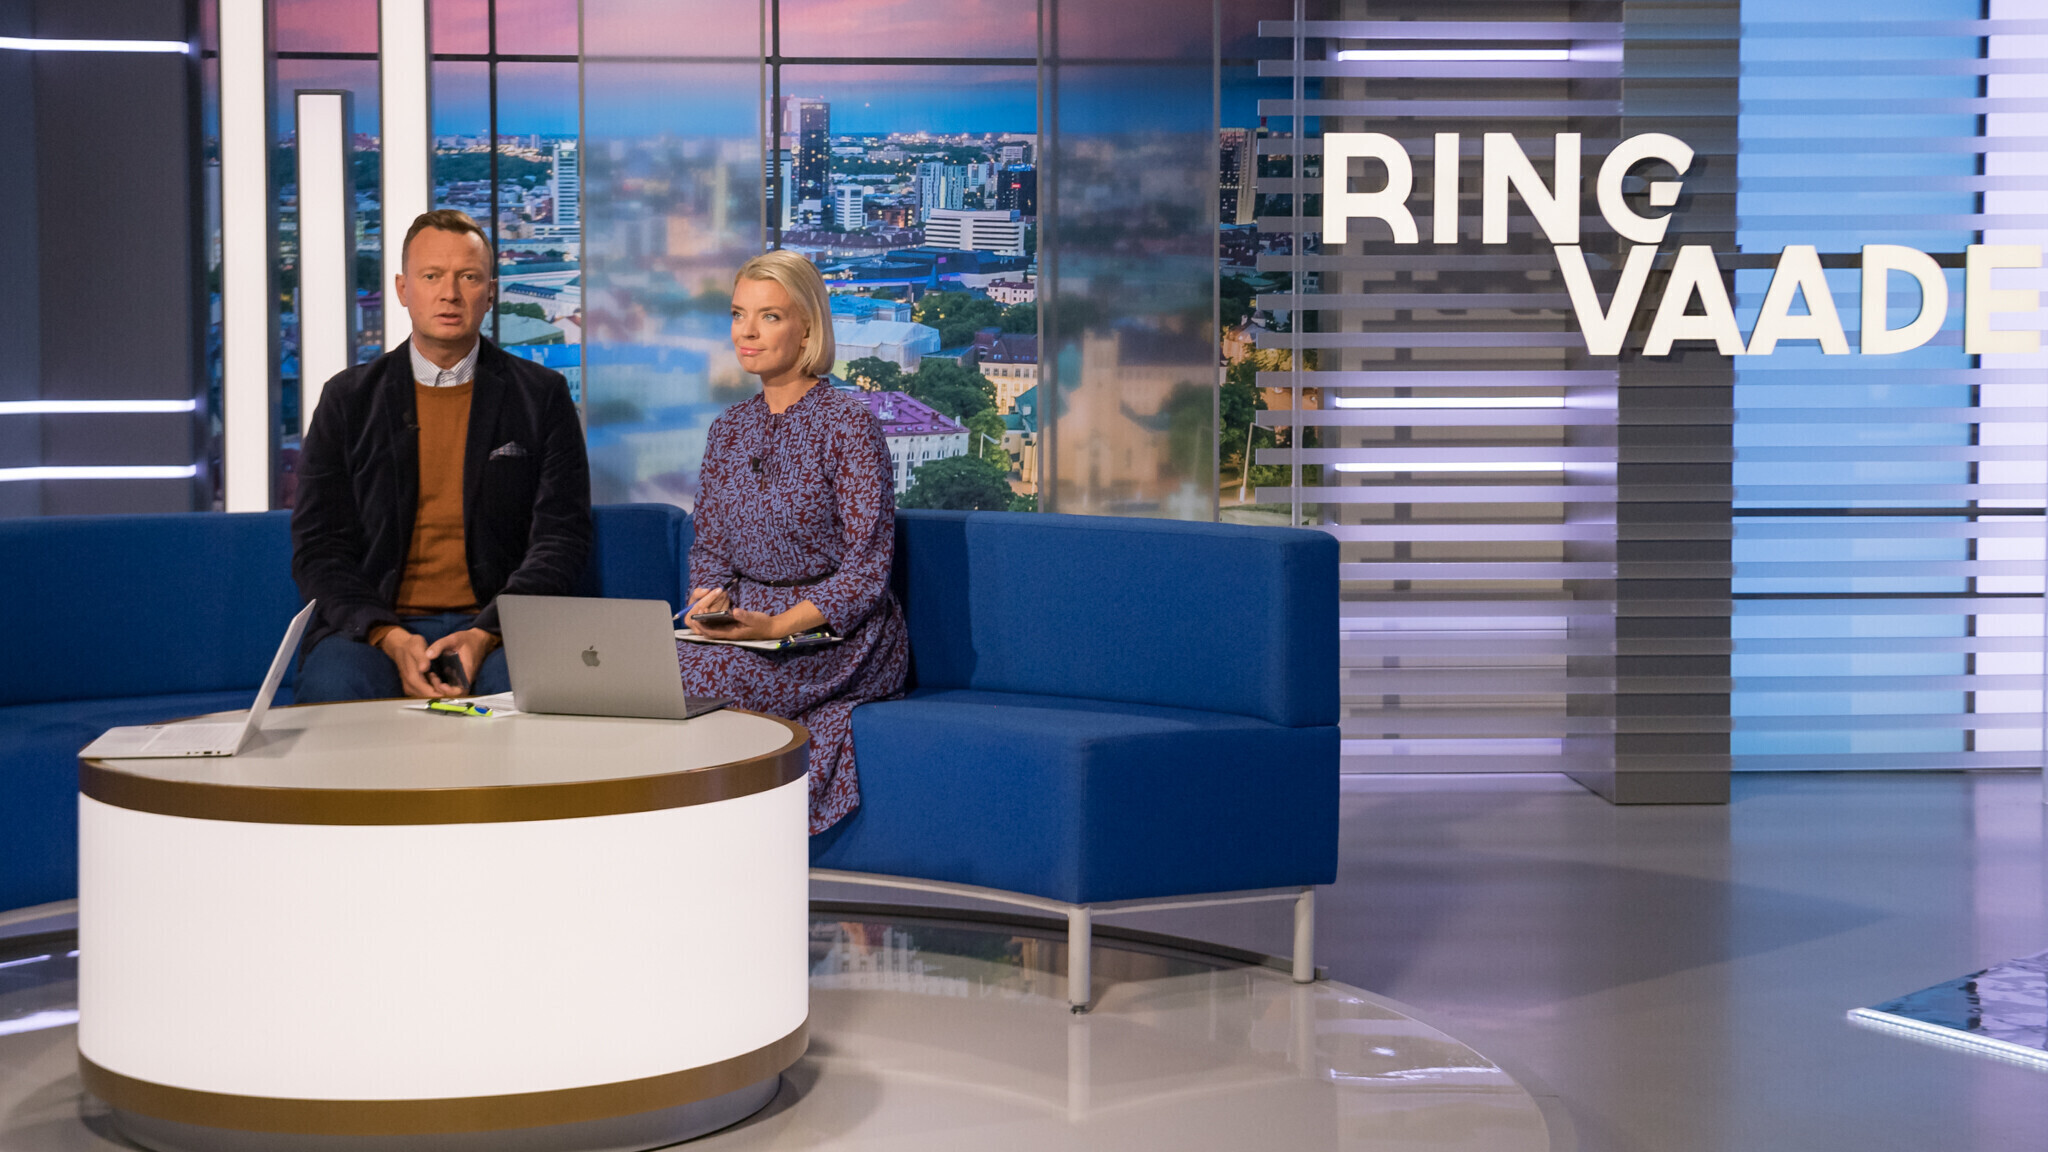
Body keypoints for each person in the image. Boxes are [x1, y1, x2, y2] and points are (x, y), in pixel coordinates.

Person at [291, 209, 592, 702]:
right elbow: (318, 547)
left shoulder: (541, 396)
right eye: (431, 276)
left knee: (524, 697)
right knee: (334, 688)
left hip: (499, 623)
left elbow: (561, 538)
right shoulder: (348, 399)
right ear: (403, 289)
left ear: (490, 292)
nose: (449, 293)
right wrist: (387, 635)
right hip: (375, 624)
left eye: (467, 277)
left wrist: (486, 633)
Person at [680, 250, 908, 833]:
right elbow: (710, 549)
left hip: (837, 634)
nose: (747, 332)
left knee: (704, 682)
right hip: (748, 621)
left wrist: (777, 627)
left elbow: (866, 573)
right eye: (738, 314)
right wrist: (710, 603)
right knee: (652, 677)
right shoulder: (728, 430)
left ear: (807, 328)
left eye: (770, 316)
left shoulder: (849, 425)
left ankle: (724, 841)